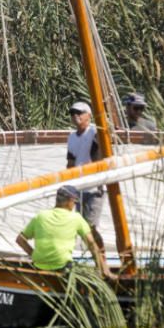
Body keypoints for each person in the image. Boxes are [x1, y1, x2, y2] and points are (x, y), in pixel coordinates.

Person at [15, 185, 112, 279]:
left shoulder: (40, 216)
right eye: (75, 202)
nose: (74, 205)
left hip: (39, 266)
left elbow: (20, 240)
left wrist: (34, 255)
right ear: (70, 201)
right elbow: (91, 244)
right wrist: (102, 269)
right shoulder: (76, 218)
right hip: (62, 267)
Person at [66, 101, 105, 248]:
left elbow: (102, 143)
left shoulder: (94, 132)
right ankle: (92, 256)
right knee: (82, 228)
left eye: (79, 112)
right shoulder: (71, 138)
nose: (75, 115)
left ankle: (101, 257)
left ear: (89, 116)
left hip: (95, 188)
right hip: (79, 188)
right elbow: (70, 163)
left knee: (91, 227)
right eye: (72, 113)